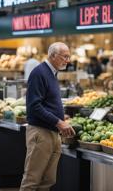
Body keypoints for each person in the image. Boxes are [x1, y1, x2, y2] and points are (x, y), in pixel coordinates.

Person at [20, 42, 75, 191]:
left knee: (48, 180)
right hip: (40, 133)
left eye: (68, 57)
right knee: (32, 180)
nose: (68, 60)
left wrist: (61, 116)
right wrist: (58, 121)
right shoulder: (39, 73)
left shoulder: (52, 73)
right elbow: (34, 106)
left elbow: (46, 102)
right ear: (53, 55)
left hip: (53, 133)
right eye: (65, 56)